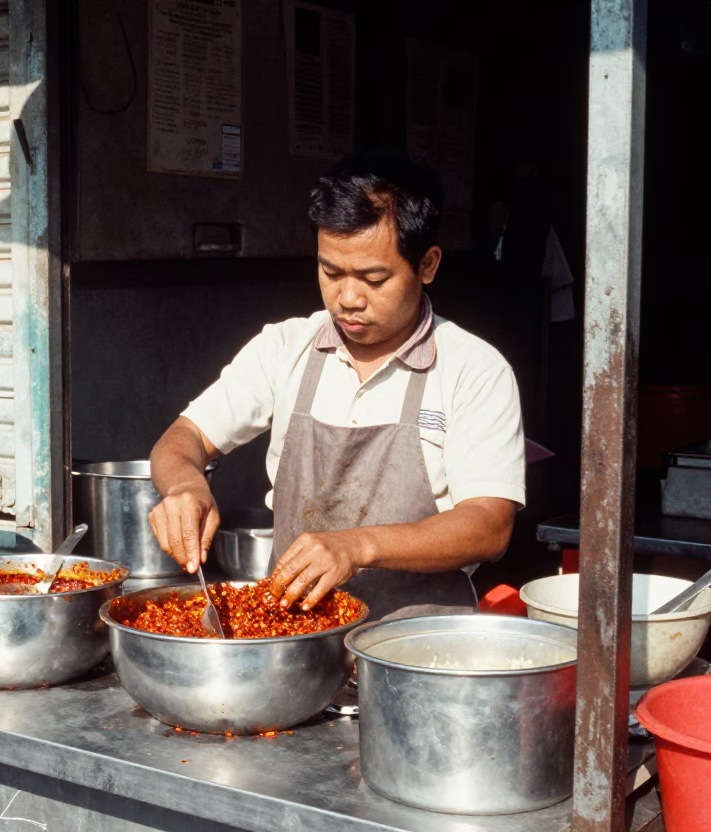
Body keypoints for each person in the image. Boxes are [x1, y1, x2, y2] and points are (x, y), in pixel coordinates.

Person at [147, 153, 525, 620]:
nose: (348, 299)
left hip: (418, 652)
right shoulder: (285, 348)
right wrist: (185, 487)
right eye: (331, 273)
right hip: (296, 641)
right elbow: (183, 439)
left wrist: (357, 546)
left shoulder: (475, 370)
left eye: (373, 278)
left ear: (427, 264)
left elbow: (488, 526)